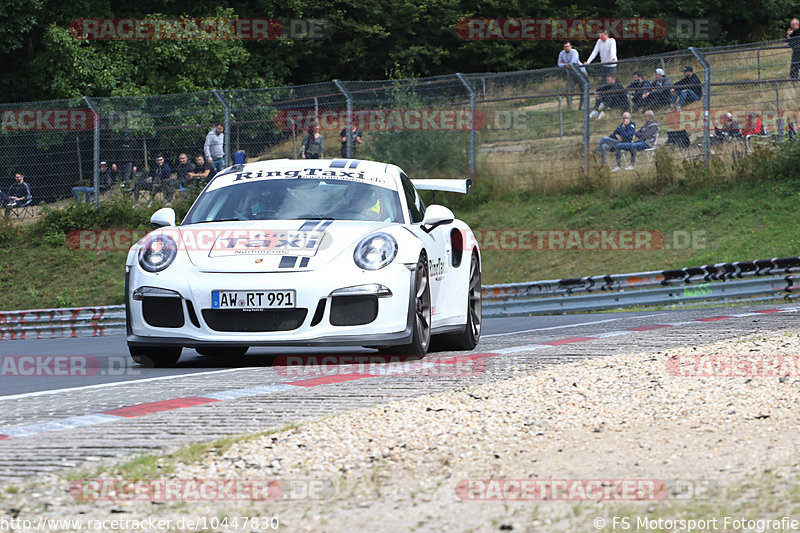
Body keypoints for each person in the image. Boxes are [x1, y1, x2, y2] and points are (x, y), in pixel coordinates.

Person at [557, 41, 585, 110]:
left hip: (580, 72)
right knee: (568, 89)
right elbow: (559, 64)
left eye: (567, 46)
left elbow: (573, 62)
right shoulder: (561, 53)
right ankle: (569, 107)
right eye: (565, 47)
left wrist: (565, 63)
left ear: (571, 46)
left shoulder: (574, 52)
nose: (566, 48)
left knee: (583, 89)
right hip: (571, 74)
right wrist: (567, 64)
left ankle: (582, 106)